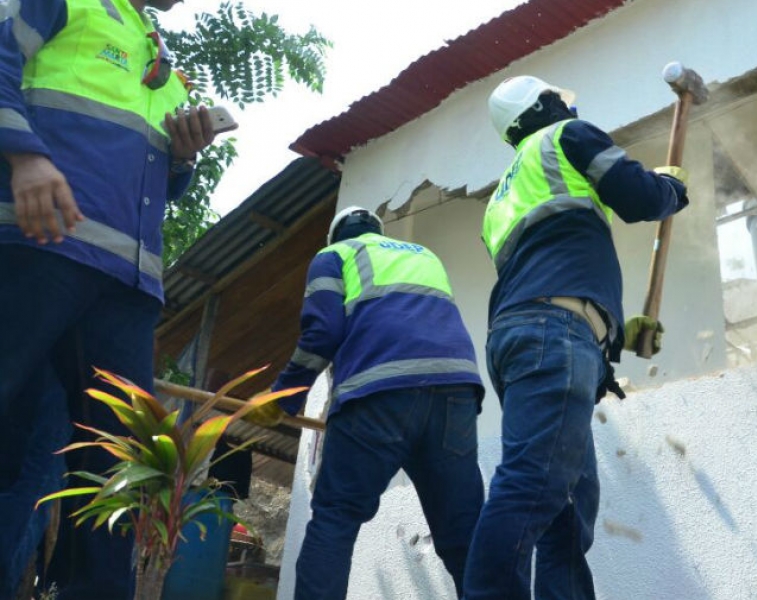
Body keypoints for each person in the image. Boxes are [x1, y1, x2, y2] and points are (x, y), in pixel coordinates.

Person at [0, 0, 216, 596]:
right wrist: (27, 156)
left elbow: (158, 180)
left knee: (117, 475)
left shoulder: (160, 60)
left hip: (124, 282)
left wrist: (182, 157)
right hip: (38, 248)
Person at [462, 75, 688, 599]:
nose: (571, 105)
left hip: (534, 337)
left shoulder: (501, 196)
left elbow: (550, 265)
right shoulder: (566, 135)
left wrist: (609, 333)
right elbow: (638, 198)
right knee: (532, 487)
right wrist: (671, 187)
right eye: (561, 100)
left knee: (566, 507)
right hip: (555, 336)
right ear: (543, 105)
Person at [246, 206, 486, 599]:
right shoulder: (423, 256)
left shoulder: (334, 256)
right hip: (454, 392)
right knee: (466, 537)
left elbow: (322, 332)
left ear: (337, 235)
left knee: (335, 520)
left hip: (378, 393)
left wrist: (283, 396)